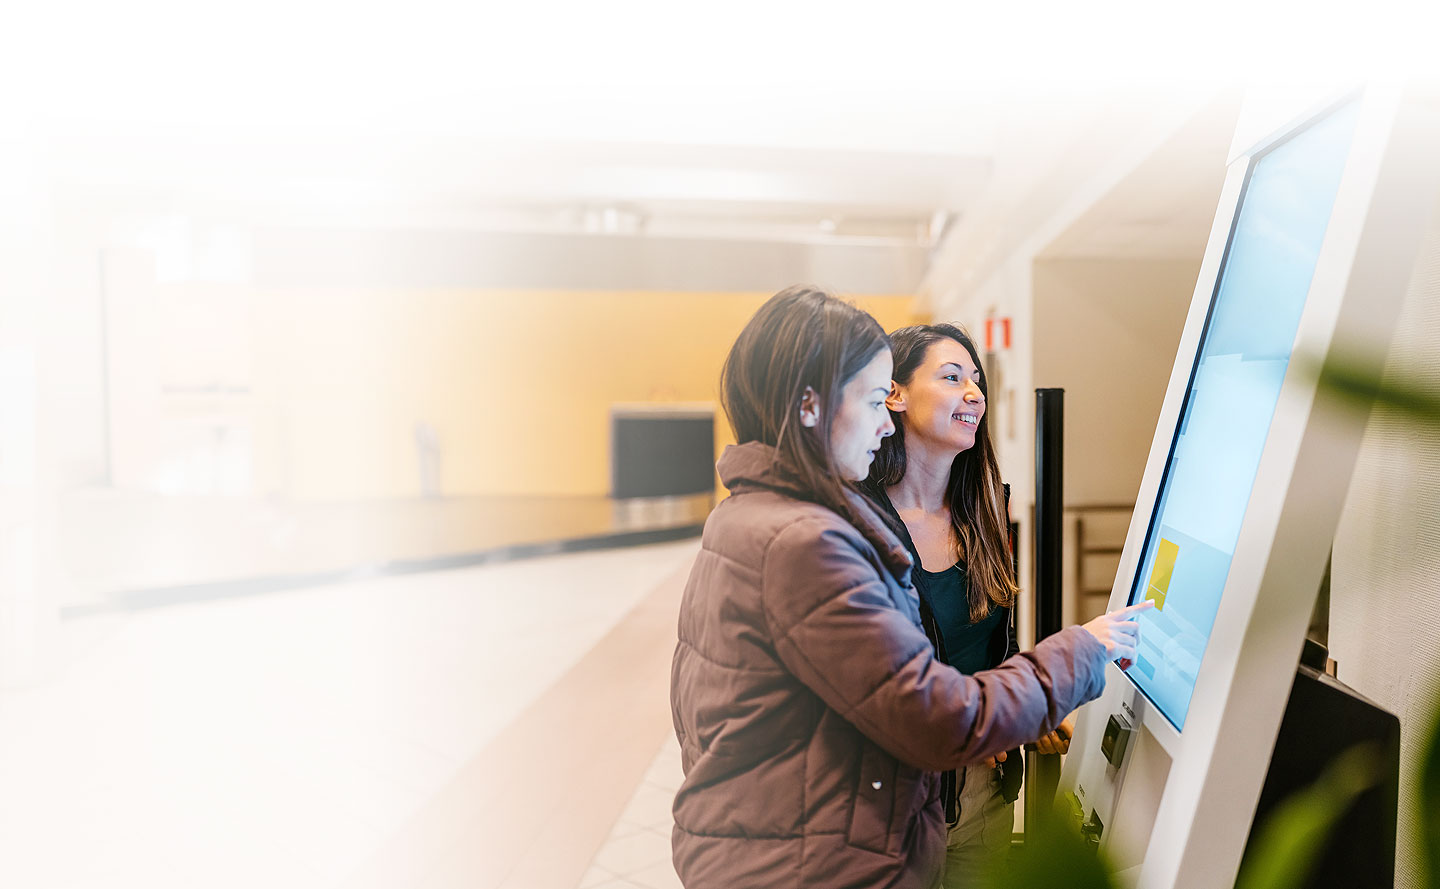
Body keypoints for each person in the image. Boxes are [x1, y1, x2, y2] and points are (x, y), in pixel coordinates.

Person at [669, 286, 1150, 888]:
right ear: (813, 406)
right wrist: (1082, 650)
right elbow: (935, 718)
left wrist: (1014, 710)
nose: (882, 422)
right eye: (875, 400)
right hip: (818, 856)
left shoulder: (748, 518)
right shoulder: (808, 541)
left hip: (810, 831)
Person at [862, 322, 1063, 887]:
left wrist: (1026, 708)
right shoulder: (858, 528)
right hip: (897, 814)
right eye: (952, 377)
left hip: (985, 799)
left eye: (976, 380)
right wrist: (979, 715)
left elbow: (991, 646)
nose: (974, 393)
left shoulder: (984, 515)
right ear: (894, 394)